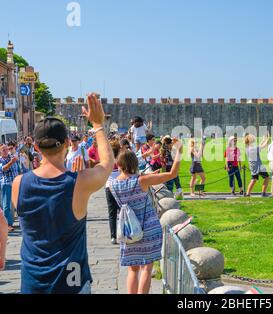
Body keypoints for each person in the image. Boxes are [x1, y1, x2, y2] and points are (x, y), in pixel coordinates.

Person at [11, 93, 115, 294]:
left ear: (35, 146)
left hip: (33, 282)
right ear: (67, 142)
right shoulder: (78, 183)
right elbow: (108, 164)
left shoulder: (19, 184)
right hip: (71, 282)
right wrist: (98, 125)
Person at [110, 140, 183, 294]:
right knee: (146, 268)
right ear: (134, 163)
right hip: (148, 228)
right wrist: (179, 152)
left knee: (133, 269)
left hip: (128, 230)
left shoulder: (113, 184)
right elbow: (172, 174)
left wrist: (147, 176)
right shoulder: (142, 181)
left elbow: (130, 180)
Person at [0, 144, 22, 232]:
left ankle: (22, 222)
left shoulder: (12, 157)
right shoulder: (1, 160)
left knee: (19, 204)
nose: (6, 151)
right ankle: (8, 224)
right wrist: (12, 162)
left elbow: (18, 169)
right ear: (0, 152)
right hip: (6, 184)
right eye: (4, 150)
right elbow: (4, 168)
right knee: (6, 206)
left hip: (16, 184)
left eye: (7, 149)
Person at [105, 140, 121, 245]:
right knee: (123, 211)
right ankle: (124, 232)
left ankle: (113, 236)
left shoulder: (107, 160)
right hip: (120, 186)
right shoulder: (120, 160)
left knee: (112, 213)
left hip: (109, 187)